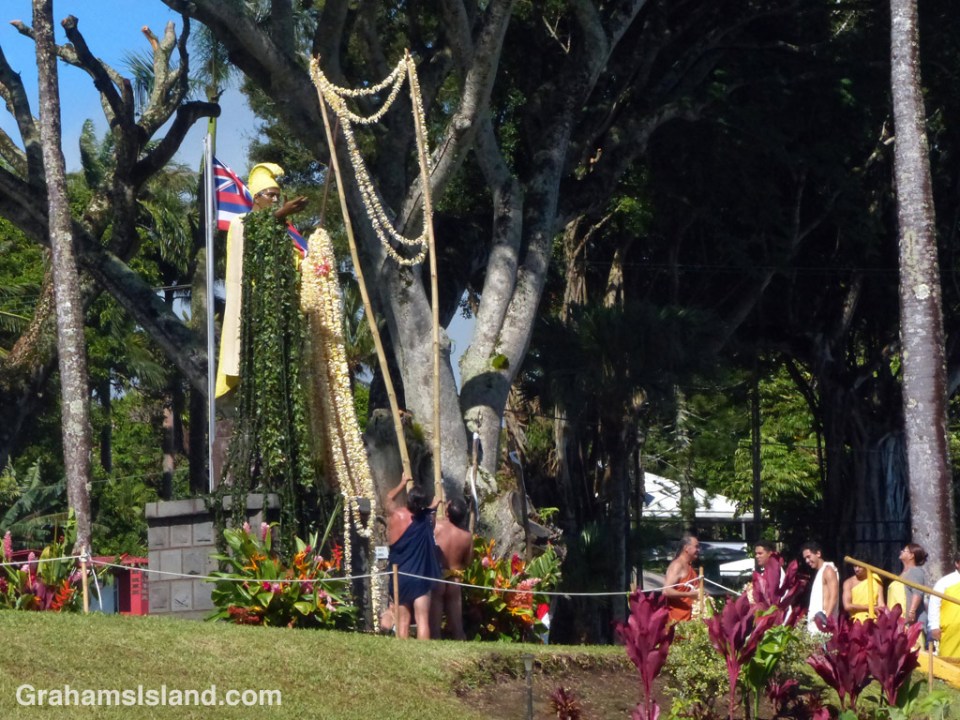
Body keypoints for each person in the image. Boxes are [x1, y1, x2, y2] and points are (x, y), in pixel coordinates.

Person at [215, 162, 308, 398]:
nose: (276, 200)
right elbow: (254, 230)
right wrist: (281, 213)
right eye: (271, 195)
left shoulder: (284, 230)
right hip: (256, 311)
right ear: (256, 198)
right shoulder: (242, 222)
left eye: (279, 196)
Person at [386, 474, 441, 639]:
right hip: (419, 577)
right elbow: (430, 518)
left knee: (402, 621)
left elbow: (388, 498)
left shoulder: (396, 515)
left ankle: (404, 658)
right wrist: (434, 505)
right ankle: (422, 658)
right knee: (422, 620)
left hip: (400, 577)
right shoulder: (427, 519)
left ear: (408, 501)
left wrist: (402, 483)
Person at [429, 496, 474, 640]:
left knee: (434, 629)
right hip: (454, 579)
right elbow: (467, 561)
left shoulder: (436, 527)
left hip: (437, 577)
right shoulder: (467, 536)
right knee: (458, 629)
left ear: (447, 512)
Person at [887, 543, 928, 641]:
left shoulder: (915, 571)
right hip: (898, 623)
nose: (901, 551)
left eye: (904, 550)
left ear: (911, 555)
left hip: (910, 624)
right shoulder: (903, 574)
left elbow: (917, 592)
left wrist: (912, 611)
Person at [802, 541, 839, 633]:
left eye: (808, 556)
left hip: (824, 623)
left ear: (818, 553)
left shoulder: (828, 570)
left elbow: (834, 596)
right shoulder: (820, 572)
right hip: (817, 623)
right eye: (805, 558)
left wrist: (826, 619)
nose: (807, 561)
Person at [663, 534, 701, 622]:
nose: (698, 550)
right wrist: (689, 595)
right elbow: (666, 591)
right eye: (696, 547)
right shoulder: (677, 565)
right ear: (687, 548)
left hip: (690, 622)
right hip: (677, 621)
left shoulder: (689, 567)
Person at [929, 552, 960, 658]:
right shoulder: (945, 582)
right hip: (950, 629)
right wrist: (934, 626)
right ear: (957, 564)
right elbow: (934, 604)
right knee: (949, 659)